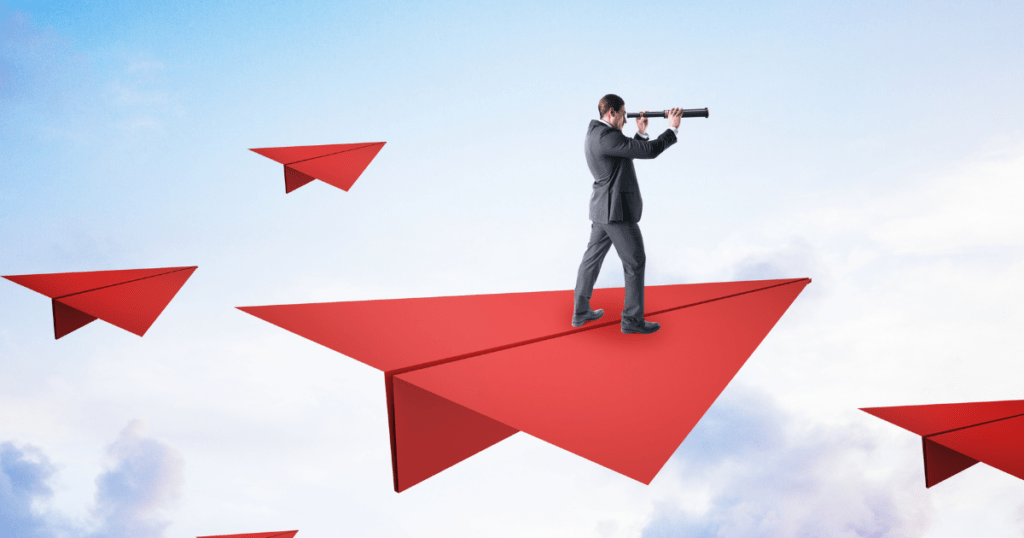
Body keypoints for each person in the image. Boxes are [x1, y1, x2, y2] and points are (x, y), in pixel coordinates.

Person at [572, 94, 683, 334]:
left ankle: (580, 311)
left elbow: (626, 153)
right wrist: (671, 130)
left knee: (591, 260)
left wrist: (641, 133)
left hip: (603, 209)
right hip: (616, 212)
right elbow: (650, 151)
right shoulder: (606, 136)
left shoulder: (597, 134)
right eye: (623, 114)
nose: (625, 119)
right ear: (611, 113)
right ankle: (632, 321)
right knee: (635, 262)